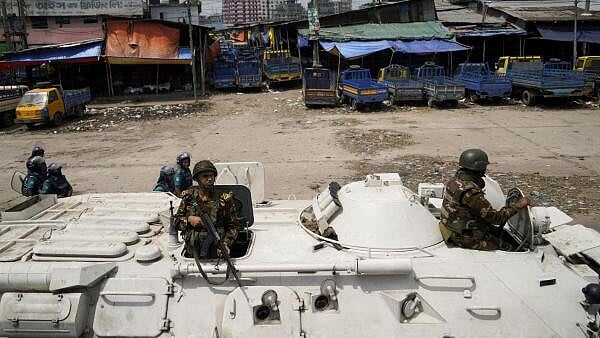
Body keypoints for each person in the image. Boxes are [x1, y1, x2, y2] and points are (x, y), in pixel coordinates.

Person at [439, 148, 530, 250]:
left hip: (451, 229)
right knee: (510, 248)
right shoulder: (471, 193)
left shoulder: (455, 181)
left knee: (499, 233)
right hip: (464, 238)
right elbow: (497, 219)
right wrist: (518, 205)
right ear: (480, 167)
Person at [173, 160, 240, 259]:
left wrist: (226, 243)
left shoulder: (223, 199)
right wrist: (188, 220)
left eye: (212, 176)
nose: (210, 179)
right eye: (205, 176)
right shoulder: (189, 197)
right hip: (192, 254)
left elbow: (234, 226)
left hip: (216, 251)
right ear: (196, 179)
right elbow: (176, 223)